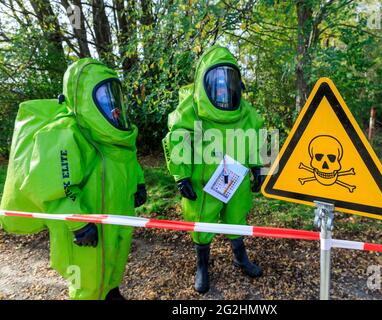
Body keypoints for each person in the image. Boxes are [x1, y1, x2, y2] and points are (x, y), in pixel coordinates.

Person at [0, 58, 147, 300]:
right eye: (103, 97)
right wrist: (77, 222)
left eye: (112, 96)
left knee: (113, 264)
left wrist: (138, 183)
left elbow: (127, 161)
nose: (111, 105)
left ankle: (111, 291)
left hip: (117, 218)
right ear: (84, 97)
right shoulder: (65, 133)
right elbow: (54, 186)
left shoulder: (115, 138)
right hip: (84, 228)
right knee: (86, 282)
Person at [163, 46, 265, 293]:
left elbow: (260, 137)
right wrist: (181, 175)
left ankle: (240, 257)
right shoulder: (191, 111)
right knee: (203, 222)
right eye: (217, 83)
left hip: (236, 179)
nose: (223, 89)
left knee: (236, 218)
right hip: (204, 182)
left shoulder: (247, 113)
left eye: (228, 82)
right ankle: (202, 266)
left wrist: (261, 169)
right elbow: (177, 139)